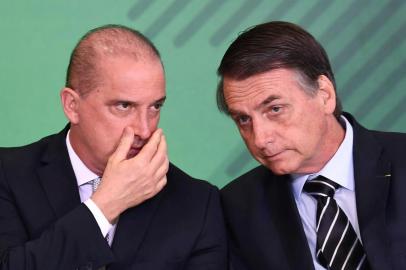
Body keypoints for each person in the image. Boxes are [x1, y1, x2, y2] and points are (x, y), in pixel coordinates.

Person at [0, 24, 226, 270]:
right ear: (72, 105)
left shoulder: (197, 204)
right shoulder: (8, 175)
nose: (144, 129)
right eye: (124, 106)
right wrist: (105, 205)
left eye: (155, 107)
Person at [217, 21, 406, 270]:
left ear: (324, 95)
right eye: (243, 119)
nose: (260, 139)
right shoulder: (237, 208)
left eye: (275, 109)